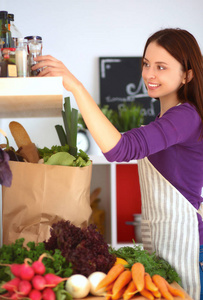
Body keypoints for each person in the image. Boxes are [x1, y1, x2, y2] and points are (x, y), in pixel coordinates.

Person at [33, 28, 203, 299]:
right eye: (146, 64)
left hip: (189, 247)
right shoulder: (169, 118)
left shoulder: (185, 117)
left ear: (187, 75)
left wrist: (75, 85)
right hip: (166, 244)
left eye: (161, 67)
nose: (149, 74)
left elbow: (119, 149)